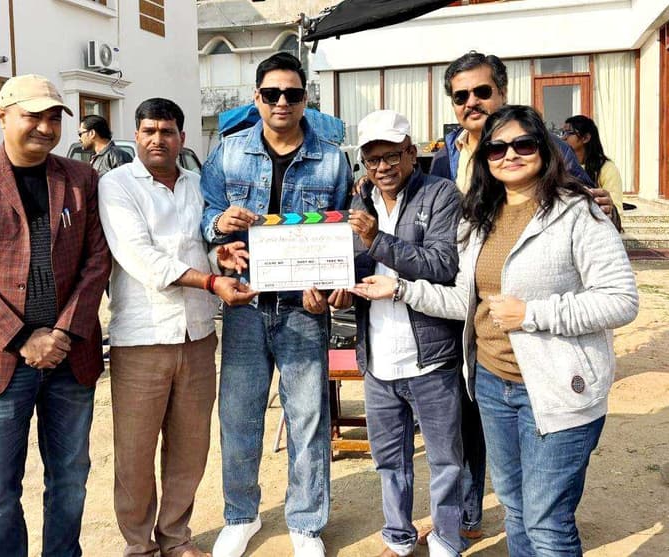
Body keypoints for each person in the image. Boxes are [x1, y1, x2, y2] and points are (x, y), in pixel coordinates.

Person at [354, 105, 639, 556]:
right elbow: (463, 301)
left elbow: (621, 300)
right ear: (484, 156)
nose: (510, 155)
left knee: (547, 521)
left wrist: (532, 313)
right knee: (515, 508)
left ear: (545, 149)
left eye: (523, 144)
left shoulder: (578, 211)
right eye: (497, 148)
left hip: (556, 387)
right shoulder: (479, 216)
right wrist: (401, 289)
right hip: (491, 383)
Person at [427, 50, 616, 539]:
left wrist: (532, 313)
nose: (471, 102)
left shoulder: (566, 189)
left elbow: (611, 281)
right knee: (491, 468)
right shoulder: (448, 161)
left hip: (549, 372)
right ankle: (468, 514)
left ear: (502, 92)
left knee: (545, 519)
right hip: (481, 355)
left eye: (481, 91)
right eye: (461, 96)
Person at [0, 74, 111, 556]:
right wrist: (22, 338)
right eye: (33, 116)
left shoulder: (81, 179)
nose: (45, 127)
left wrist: (62, 333)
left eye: (54, 118)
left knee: (70, 479)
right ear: (2, 116)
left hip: (69, 359)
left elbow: (97, 262)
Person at [200, 52, 352, 557]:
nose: (281, 102)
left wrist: (333, 284)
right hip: (244, 302)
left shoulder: (332, 159)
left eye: (292, 93)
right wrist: (218, 227)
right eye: (271, 93)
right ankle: (241, 515)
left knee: (307, 417)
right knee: (239, 416)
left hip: (304, 310)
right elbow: (205, 212)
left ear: (305, 99)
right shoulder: (228, 152)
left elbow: (343, 232)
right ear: (257, 97)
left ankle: (306, 522)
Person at [98, 97, 256, 557]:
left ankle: (175, 537)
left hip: (197, 334)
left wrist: (219, 258)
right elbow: (141, 258)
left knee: (190, 446)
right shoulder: (116, 185)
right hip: (142, 337)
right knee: (135, 450)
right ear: (136, 135)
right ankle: (138, 545)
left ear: (181, 138)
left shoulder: (196, 184)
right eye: (148, 131)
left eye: (166, 131)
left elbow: (200, 246)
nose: (157, 139)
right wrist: (210, 280)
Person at [347, 109, 466, 557]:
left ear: (411, 152)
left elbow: (443, 264)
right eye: (373, 159)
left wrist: (377, 240)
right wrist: (338, 289)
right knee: (389, 460)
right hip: (377, 357)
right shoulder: (360, 201)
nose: (383, 167)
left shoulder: (440, 195)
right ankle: (398, 537)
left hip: (430, 357)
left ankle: (446, 540)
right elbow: (351, 266)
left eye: (392, 156)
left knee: (445, 460)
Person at [562, 115, 624, 218]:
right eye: (562, 133)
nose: (563, 138)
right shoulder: (560, 167)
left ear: (585, 138)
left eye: (568, 133)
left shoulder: (607, 169)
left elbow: (616, 211)